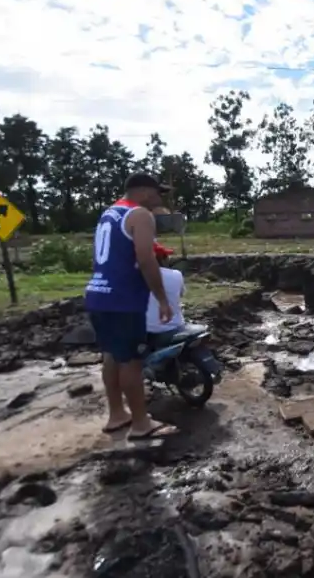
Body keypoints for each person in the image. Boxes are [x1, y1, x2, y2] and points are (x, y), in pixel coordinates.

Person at [84, 172, 179, 441]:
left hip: (98, 295)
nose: (159, 198)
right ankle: (141, 423)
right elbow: (147, 259)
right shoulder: (140, 215)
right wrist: (161, 298)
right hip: (123, 300)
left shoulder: (109, 213)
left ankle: (117, 415)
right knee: (132, 363)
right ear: (146, 192)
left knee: (112, 356)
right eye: (158, 193)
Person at [147, 242, 186, 335]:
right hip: (176, 327)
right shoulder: (177, 275)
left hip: (147, 331)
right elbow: (181, 294)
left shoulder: (133, 278)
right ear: (162, 259)